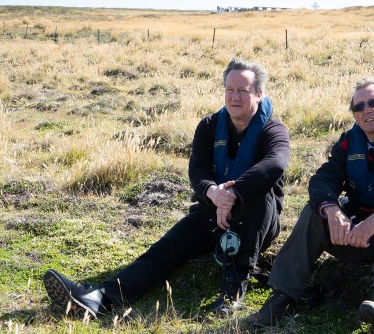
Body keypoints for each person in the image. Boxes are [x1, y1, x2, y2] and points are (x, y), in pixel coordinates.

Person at [44, 57, 290, 319]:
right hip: (211, 212)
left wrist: (233, 194)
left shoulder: (272, 129)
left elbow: (275, 164)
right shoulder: (209, 126)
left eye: (243, 90)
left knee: (261, 194)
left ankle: (232, 293)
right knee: (166, 248)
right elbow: (197, 171)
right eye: (230, 89)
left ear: (259, 94)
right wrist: (213, 194)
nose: (235, 97)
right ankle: (101, 298)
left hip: (257, 221)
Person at [248, 77, 374, 331]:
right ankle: (282, 296)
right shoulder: (349, 142)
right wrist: (333, 211)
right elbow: (323, 179)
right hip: (359, 238)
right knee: (315, 211)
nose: (367, 110)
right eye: (359, 106)